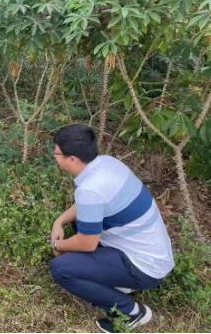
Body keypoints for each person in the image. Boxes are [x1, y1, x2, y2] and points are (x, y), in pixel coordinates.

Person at [48, 124, 175, 333]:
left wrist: (57, 244)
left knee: (61, 268)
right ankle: (112, 277)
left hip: (143, 267)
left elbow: (87, 243)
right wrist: (59, 222)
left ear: (72, 159)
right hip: (152, 254)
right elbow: (88, 206)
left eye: (57, 153)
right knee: (79, 223)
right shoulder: (106, 164)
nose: (55, 157)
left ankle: (131, 312)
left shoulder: (91, 189)